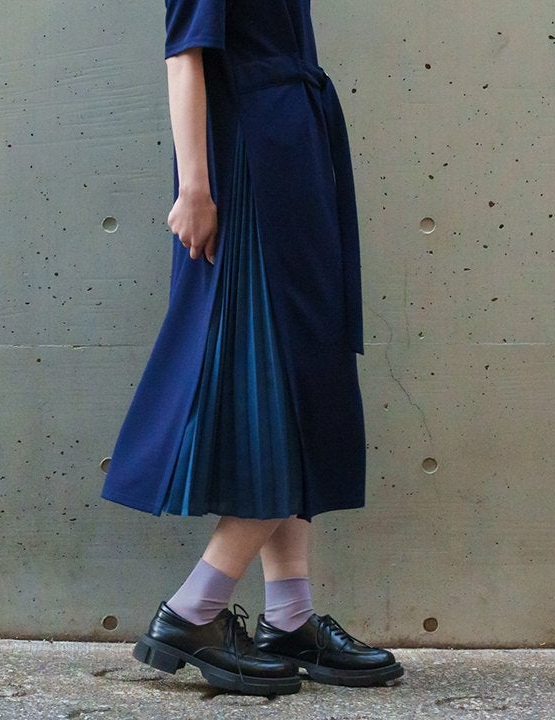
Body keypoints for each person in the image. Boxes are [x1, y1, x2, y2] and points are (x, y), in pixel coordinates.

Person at [101, 0, 404, 696]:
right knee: (281, 389)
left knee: (302, 376)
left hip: (291, 152)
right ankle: (192, 611)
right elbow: (185, 53)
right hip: (249, 169)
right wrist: (195, 186)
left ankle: (290, 615)